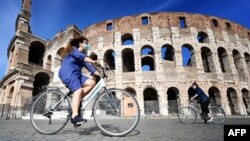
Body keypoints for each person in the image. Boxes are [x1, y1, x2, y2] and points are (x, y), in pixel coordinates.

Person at [59, 36, 100, 126]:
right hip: (68, 72)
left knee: (92, 82)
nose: (87, 45)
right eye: (86, 43)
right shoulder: (73, 49)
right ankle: (74, 116)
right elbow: (82, 57)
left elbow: (90, 68)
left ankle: (77, 101)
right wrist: (93, 61)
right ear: (80, 43)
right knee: (78, 90)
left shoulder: (83, 56)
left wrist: (100, 74)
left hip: (77, 75)